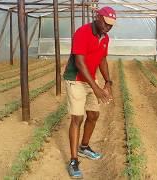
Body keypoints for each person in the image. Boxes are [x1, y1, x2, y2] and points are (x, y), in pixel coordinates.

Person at [63, 6, 117, 179]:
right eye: (106, 23)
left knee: (93, 114)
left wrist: (108, 82)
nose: (109, 27)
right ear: (98, 17)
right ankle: (73, 161)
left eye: (111, 25)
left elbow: (102, 59)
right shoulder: (82, 33)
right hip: (76, 79)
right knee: (77, 118)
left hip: (90, 78)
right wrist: (96, 88)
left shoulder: (105, 37)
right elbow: (79, 63)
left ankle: (84, 147)